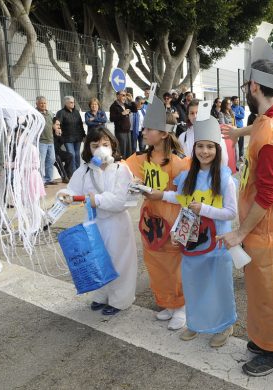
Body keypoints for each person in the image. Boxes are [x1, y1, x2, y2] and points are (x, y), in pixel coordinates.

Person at [220, 37, 273, 377]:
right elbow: (262, 123)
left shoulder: (271, 135)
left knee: (271, 292)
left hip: (268, 227)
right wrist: (239, 132)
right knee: (264, 290)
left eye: (246, 86)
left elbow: (267, 194)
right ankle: (267, 339)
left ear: (254, 86)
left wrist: (240, 232)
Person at [151, 113, 238, 347]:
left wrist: (205, 209)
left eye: (210, 146)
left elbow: (231, 212)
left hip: (217, 243)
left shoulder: (224, 178)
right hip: (191, 240)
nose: (205, 151)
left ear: (217, 149)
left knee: (219, 286)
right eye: (200, 146)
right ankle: (196, 324)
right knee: (194, 284)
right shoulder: (188, 175)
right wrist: (160, 195)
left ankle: (224, 326)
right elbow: (182, 198)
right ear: (194, 148)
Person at [57, 126, 138, 315]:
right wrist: (64, 195)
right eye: (95, 145)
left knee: (119, 260)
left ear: (112, 146)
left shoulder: (121, 169)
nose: (101, 149)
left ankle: (121, 299)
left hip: (117, 223)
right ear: (88, 148)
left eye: (105, 144)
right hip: (94, 222)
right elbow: (73, 189)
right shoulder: (85, 170)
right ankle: (101, 294)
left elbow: (122, 201)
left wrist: (97, 200)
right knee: (97, 260)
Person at [125, 96, 190, 330]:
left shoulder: (180, 162)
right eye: (144, 128)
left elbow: (187, 195)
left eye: (149, 129)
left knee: (175, 265)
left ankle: (182, 306)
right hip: (151, 221)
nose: (143, 132)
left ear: (164, 133)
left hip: (172, 220)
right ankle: (168, 303)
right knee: (155, 263)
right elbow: (124, 171)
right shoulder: (142, 157)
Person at [179, 100, 230, 169]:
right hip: (190, 176)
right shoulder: (183, 137)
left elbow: (223, 159)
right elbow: (181, 159)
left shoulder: (215, 133)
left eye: (198, 113)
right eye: (192, 113)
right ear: (188, 116)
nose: (195, 116)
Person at [56, 96, 85, 174]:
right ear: (66, 103)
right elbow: (58, 125)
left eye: (73, 102)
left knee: (77, 155)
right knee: (71, 155)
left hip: (78, 138)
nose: (73, 104)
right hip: (67, 138)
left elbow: (80, 124)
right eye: (71, 102)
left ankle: (78, 172)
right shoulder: (61, 113)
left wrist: (84, 135)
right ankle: (73, 173)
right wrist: (60, 137)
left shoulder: (76, 112)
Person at [109, 90, 137, 159]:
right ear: (118, 96)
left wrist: (132, 100)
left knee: (129, 151)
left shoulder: (125, 104)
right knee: (122, 150)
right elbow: (112, 118)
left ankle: (127, 164)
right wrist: (122, 114)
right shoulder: (114, 106)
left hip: (127, 131)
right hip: (120, 131)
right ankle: (122, 165)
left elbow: (135, 110)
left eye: (125, 95)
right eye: (123, 95)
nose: (125, 97)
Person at [35, 96, 56, 186]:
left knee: (51, 160)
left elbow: (55, 123)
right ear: (37, 104)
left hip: (50, 141)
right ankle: (40, 181)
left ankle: (49, 179)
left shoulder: (50, 113)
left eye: (44, 103)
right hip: (41, 142)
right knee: (41, 162)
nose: (43, 105)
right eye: (41, 103)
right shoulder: (35, 114)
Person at [52, 118, 73, 183]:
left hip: (58, 151)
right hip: (51, 153)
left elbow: (61, 143)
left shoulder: (58, 131)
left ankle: (68, 174)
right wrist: (55, 135)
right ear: (52, 125)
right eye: (57, 124)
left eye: (59, 125)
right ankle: (64, 176)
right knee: (57, 158)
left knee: (70, 155)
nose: (58, 126)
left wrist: (59, 135)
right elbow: (53, 146)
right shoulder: (49, 133)